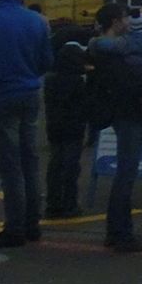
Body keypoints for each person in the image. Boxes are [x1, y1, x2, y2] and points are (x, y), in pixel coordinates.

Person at [88, 4, 142, 253]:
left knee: (124, 173)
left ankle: (116, 231)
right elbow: (128, 86)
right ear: (115, 21)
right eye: (124, 18)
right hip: (128, 113)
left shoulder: (105, 48)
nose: (128, 22)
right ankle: (122, 233)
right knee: (126, 174)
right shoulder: (114, 53)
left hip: (119, 112)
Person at [0, 0, 51, 249]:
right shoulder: (36, 22)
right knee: (30, 160)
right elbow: (46, 61)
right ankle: (33, 224)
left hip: (0, 97)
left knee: (10, 167)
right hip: (30, 92)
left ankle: (15, 228)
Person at [42, 30, 92, 219]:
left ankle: (53, 204)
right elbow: (86, 105)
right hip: (74, 128)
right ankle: (69, 204)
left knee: (55, 164)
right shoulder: (79, 82)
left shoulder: (50, 80)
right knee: (71, 166)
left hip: (54, 127)